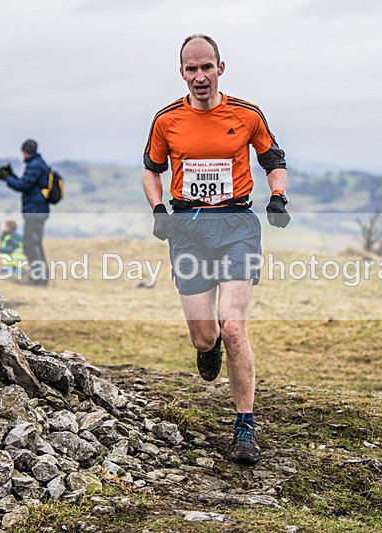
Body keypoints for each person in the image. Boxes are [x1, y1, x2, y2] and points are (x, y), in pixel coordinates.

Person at [142, 34, 291, 464]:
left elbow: (272, 158)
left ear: (220, 69)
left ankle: (245, 425)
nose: (200, 76)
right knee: (206, 335)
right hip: (188, 229)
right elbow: (151, 170)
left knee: (233, 327)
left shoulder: (246, 114)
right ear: (182, 73)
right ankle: (206, 351)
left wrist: (277, 196)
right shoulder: (167, 120)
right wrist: (158, 209)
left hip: (236, 225)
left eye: (207, 67)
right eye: (192, 69)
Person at [0, 139, 50, 285]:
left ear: (24, 152)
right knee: (35, 244)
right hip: (38, 211)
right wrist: (12, 176)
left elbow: (23, 185)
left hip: (34, 211)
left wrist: (8, 178)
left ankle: (38, 279)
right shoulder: (39, 164)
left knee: (30, 245)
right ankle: (41, 278)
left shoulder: (35, 166)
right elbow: (28, 185)